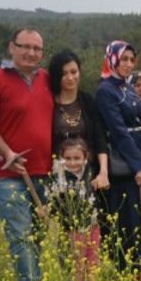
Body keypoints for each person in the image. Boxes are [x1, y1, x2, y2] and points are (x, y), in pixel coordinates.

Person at [0, 27, 53, 281]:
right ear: (12, 47)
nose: (31, 53)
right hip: (8, 175)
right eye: (25, 47)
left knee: (38, 238)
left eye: (37, 49)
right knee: (21, 238)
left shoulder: (47, 80)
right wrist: (8, 153)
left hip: (43, 173)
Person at [95, 40, 141, 272]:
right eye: (124, 59)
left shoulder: (126, 86)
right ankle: (129, 268)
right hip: (126, 158)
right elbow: (118, 131)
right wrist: (138, 165)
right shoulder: (105, 90)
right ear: (112, 58)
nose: (128, 64)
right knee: (129, 213)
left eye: (132, 60)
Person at [48, 50, 109, 191]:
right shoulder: (48, 102)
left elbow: (100, 139)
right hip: (57, 176)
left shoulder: (87, 101)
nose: (70, 77)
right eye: (64, 73)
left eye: (74, 72)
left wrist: (103, 172)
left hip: (88, 175)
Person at [49, 138, 100, 281]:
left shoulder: (90, 171)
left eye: (77, 158)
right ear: (61, 158)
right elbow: (55, 203)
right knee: (76, 262)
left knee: (93, 260)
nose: (72, 163)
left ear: (85, 158)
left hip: (92, 223)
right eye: (68, 158)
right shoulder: (59, 176)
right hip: (73, 227)